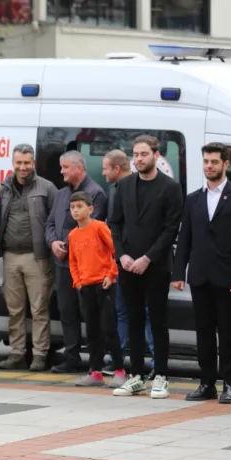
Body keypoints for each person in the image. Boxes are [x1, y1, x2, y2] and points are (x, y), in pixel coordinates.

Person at [172, 142, 231, 404]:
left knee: (228, 333)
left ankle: (229, 384)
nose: (209, 166)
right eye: (206, 161)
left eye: (215, 162)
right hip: (199, 276)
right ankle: (207, 383)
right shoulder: (193, 199)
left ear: (225, 165)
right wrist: (178, 272)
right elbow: (185, 237)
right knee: (204, 333)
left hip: (228, 279)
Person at [109, 135, 183, 399]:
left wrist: (147, 258)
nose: (138, 159)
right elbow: (114, 224)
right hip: (128, 266)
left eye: (143, 154)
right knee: (133, 320)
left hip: (156, 266)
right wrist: (123, 256)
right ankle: (136, 376)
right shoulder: (125, 185)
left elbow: (170, 229)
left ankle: (161, 376)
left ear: (156, 155)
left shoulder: (170, 188)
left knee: (158, 321)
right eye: (135, 155)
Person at [46, 150, 107, 373]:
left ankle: (95, 362)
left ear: (79, 168)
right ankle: (71, 357)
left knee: (90, 314)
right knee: (67, 311)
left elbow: (92, 229)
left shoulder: (95, 193)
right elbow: (50, 223)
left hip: (87, 268)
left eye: (65, 167)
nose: (61, 171)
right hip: (63, 266)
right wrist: (53, 243)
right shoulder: (62, 194)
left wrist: (67, 248)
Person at [0, 144, 57, 371]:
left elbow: (54, 221)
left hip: (37, 257)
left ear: (33, 163)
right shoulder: (4, 188)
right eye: (19, 163)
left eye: (27, 163)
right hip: (10, 256)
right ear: (13, 163)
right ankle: (17, 353)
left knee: (39, 309)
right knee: (15, 309)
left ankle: (40, 354)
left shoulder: (47, 188)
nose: (23, 167)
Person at [101, 150, 155, 376]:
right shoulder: (114, 189)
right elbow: (114, 227)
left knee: (146, 313)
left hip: (144, 261)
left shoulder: (126, 189)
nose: (102, 173)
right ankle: (119, 359)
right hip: (122, 261)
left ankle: (151, 361)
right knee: (124, 311)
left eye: (105, 168)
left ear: (116, 169)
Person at [66, 192, 124, 388]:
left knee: (109, 328)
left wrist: (111, 274)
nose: (76, 210)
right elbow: (72, 262)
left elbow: (115, 251)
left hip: (104, 284)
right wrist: (78, 282)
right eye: (73, 207)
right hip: (86, 287)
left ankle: (119, 370)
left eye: (80, 206)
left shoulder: (99, 227)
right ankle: (95, 372)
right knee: (91, 331)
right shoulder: (73, 235)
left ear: (90, 209)